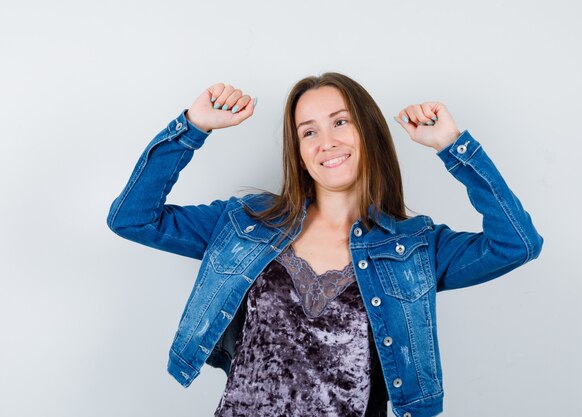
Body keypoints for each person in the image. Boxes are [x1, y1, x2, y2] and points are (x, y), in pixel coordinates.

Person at [107, 72, 544, 417]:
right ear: (298, 151)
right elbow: (133, 218)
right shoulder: (245, 223)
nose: (327, 141)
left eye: (340, 122)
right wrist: (192, 127)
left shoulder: (414, 249)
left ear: (368, 133)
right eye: (308, 132)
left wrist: (454, 147)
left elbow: (516, 244)